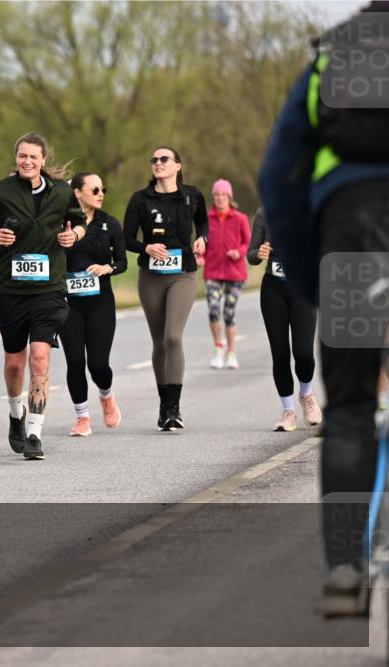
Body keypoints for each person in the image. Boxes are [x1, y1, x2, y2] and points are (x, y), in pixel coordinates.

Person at [259, 1, 389, 616]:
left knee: (352, 407)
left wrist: (313, 277)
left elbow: (280, 177)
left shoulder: (334, 57)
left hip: (353, 236)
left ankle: (343, 572)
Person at [0, 132, 86, 460]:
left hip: (49, 289)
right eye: (22, 156)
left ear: (43, 160)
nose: (27, 161)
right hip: (10, 291)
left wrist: (73, 234)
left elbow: (80, 221)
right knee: (15, 363)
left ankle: (34, 431)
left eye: (33, 156)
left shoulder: (62, 193)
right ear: (16, 158)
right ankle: (15, 412)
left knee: (40, 357)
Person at [123, 146, 209, 431]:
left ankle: (175, 407)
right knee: (159, 341)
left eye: (164, 159)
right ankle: (164, 407)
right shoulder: (140, 199)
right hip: (151, 276)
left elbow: (203, 222)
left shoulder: (192, 196)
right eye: (154, 160)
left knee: (173, 336)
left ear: (178, 166)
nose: (158, 163)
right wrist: (145, 246)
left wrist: (203, 240)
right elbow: (126, 239)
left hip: (182, 274)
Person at [59, 172, 126, 436]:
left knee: (98, 364)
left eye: (103, 189)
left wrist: (107, 268)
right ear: (77, 193)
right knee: (75, 361)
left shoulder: (110, 223)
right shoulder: (62, 223)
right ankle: (82, 417)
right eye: (95, 189)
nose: (101, 194)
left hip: (100, 302)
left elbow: (122, 262)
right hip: (69, 303)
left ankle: (107, 396)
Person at [246, 207, 322, 432]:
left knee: (304, 353)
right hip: (273, 288)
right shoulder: (264, 213)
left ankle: (306, 394)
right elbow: (251, 254)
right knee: (280, 354)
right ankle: (288, 411)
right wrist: (258, 254)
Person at [202, 179, 250, 370]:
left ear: (229, 197)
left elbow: (248, 242)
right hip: (212, 271)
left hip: (234, 272)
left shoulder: (240, 218)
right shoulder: (206, 218)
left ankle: (231, 352)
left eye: (223, 194)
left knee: (229, 313)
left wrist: (239, 252)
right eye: (216, 195)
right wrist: (200, 257)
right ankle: (218, 347)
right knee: (214, 311)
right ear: (213, 197)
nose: (220, 198)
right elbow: (202, 241)